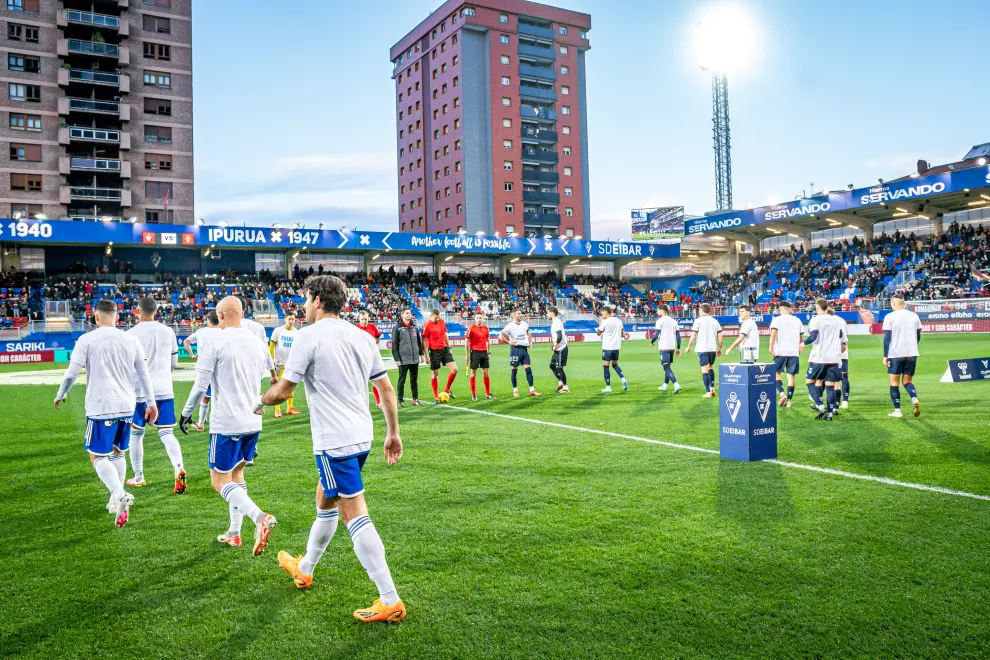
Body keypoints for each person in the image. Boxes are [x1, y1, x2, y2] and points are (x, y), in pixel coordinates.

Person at [260, 275, 406, 624]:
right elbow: (386, 390)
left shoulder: (308, 337)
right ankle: (305, 567)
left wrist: (258, 402)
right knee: (325, 498)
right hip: (362, 437)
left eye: (306, 299)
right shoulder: (362, 336)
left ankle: (390, 599)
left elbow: (282, 391)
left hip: (334, 442)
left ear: (318, 301)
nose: (303, 306)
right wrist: (393, 434)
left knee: (354, 513)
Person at [179, 296, 278, 553]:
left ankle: (260, 518)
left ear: (220, 315)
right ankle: (234, 532)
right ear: (242, 313)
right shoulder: (257, 343)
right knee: (237, 476)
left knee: (220, 482)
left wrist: (187, 412)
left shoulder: (215, 342)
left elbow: (201, 385)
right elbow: (271, 373)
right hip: (252, 421)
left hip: (227, 423)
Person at [54, 299, 157, 528]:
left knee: (98, 457)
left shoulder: (87, 339)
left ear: (96, 317)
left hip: (101, 406)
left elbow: (72, 373)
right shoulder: (131, 339)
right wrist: (150, 402)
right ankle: (115, 499)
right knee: (119, 453)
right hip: (127, 405)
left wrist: (61, 393)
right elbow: (144, 374)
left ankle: (119, 493)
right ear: (117, 317)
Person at [125, 297, 185, 493]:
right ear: (156, 311)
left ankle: (138, 475)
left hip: (139, 391)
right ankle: (178, 468)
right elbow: (173, 362)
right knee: (167, 433)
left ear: (137, 310)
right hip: (164, 389)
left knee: (136, 434)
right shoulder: (168, 331)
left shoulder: (130, 334)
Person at [804, 298, 846, 421]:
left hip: (818, 357)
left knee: (809, 381)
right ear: (827, 307)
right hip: (833, 358)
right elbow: (842, 340)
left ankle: (820, 405)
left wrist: (803, 344)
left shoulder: (815, 320)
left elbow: (813, 336)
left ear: (817, 308)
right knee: (830, 385)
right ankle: (830, 413)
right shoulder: (837, 321)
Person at [882, 296, 922, 418]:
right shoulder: (914, 315)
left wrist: (885, 355)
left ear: (894, 303)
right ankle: (914, 398)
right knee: (907, 381)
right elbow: (918, 335)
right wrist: (913, 346)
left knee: (894, 382)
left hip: (895, 354)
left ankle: (897, 411)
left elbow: (886, 338)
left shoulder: (890, 316)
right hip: (912, 353)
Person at [183, 311, 221, 431]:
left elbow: (186, 341)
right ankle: (210, 421)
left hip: (205, 368)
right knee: (218, 397)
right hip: (221, 369)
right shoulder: (224, 332)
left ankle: (200, 423)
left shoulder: (201, 332)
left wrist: (192, 354)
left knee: (204, 395)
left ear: (208, 320)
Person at [684, 303, 723, 398]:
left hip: (702, 349)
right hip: (712, 349)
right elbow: (720, 336)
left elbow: (693, 336)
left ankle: (708, 391)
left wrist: (688, 346)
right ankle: (712, 388)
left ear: (701, 310)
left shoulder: (698, 321)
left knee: (704, 370)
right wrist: (719, 348)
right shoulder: (715, 321)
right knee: (710, 367)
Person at [768, 301, 803, 408]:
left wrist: (770, 348)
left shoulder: (776, 320)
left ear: (780, 309)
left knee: (775, 373)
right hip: (793, 352)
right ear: (790, 309)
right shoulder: (797, 320)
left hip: (780, 352)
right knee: (791, 376)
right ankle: (789, 401)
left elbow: (773, 335)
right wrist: (799, 348)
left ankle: (782, 394)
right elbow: (801, 339)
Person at [499, 310, 540, 397]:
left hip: (524, 349)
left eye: (521, 313)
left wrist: (530, 342)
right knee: (514, 370)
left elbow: (528, 334)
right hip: (515, 349)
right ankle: (515, 390)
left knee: (528, 369)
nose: (521, 315)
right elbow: (500, 336)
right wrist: (509, 342)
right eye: (518, 313)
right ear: (514, 316)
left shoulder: (525, 324)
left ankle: (532, 390)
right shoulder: (509, 326)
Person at [422, 308, 458, 404]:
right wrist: (425, 356)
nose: (438, 319)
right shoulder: (427, 326)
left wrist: (449, 347)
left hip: (444, 349)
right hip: (434, 351)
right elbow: (424, 341)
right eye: (436, 318)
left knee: (454, 370)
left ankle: (446, 390)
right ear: (431, 315)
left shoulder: (442, 322)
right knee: (435, 375)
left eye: (439, 317)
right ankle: (436, 397)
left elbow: (445, 335)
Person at [391, 308, 424, 407]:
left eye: (410, 313)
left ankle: (415, 399)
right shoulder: (397, 328)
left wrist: (421, 354)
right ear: (402, 315)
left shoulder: (414, 327)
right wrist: (397, 359)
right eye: (407, 313)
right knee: (402, 380)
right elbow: (394, 345)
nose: (409, 315)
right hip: (403, 359)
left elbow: (418, 341)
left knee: (414, 380)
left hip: (414, 359)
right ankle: (400, 401)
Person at [268, 314, 300, 418]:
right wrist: (271, 360)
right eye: (289, 319)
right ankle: (277, 410)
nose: (291, 321)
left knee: (290, 387)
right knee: (278, 387)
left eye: (293, 319)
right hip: (279, 364)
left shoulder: (297, 333)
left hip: (291, 364)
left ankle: (290, 408)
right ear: (285, 319)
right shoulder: (278, 331)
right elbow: (271, 346)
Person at [650, 304, 681, 393]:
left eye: (658, 310)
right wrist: (678, 347)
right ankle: (665, 385)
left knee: (666, 367)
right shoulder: (673, 321)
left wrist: (652, 341)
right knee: (667, 367)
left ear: (662, 310)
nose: (657, 312)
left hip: (664, 346)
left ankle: (676, 384)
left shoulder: (660, 321)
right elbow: (678, 335)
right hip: (672, 347)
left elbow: (656, 334)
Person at [596, 306, 627, 393]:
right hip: (616, 347)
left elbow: (598, 333)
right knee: (615, 365)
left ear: (605, 313)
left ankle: (608, 387)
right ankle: (623, 378)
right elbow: (622, 334)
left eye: (602, 313)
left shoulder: (605, 322)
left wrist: (601, 321)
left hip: (607, 347)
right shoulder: (618, 321)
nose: (602, 315)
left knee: (606, 366)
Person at [356, 311, 384, 408]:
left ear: (368, 318)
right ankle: (360, 403)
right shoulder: (355, 329)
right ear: (359, 319)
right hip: (360, 359)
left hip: (371, 358)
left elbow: (377, 339)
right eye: (362, 319)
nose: (364, 321)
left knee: (375, 379)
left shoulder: (373, 327)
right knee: (360, 382)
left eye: (366, 319)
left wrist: (372, 343)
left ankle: (378, 402)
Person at [465, 312, 494, 401]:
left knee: (486, 373)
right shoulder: (471, 328)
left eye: (480, 318)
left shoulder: (485, 328)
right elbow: (466, 343)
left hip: (484, 352)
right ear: (475, 319)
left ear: (482, 319)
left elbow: (488, 341)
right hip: (475, 352)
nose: (479, 319)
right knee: (473, 373)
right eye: (477, 318)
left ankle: (487, 394)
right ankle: (473, 395)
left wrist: (488, 353)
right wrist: (467, 355)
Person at [827, 306, 851, 410]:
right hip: (843, 352)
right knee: (844, 376)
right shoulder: (842, 321)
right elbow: (845, 338)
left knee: (831, 379)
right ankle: (845, 401)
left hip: (831, 354)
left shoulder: (827, 321)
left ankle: (833, 404)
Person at [548, 307, 570, 394]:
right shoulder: (555, 322)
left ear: (552, 313)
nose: (547, 314)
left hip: (561, 348)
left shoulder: (556, 322)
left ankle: (565, 387)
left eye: (548, 313)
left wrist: (555, 346)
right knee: (552, 366)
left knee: (559, 368)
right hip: (558, 348)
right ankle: (560, 382)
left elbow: (559, 336)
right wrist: (554, 345)